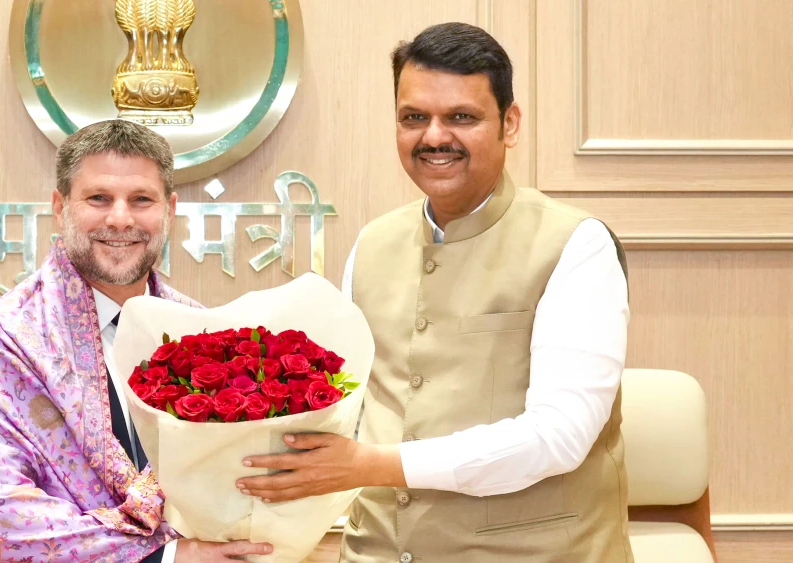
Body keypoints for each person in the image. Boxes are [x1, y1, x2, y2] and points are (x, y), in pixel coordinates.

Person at [235, 22, 633, 562]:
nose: (434, 136)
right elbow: (346, 408)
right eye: (414, 118)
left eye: (461, 117)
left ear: (509, 124)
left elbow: (558, 437)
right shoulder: (373, 244)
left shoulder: (575, 244)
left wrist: (372, 465)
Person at [0, 120, 273, 562]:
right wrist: (168, 559)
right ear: (60, 208)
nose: (121, 218)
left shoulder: (199, 331)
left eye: (141, 200)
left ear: (169, 211)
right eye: (99, 198)